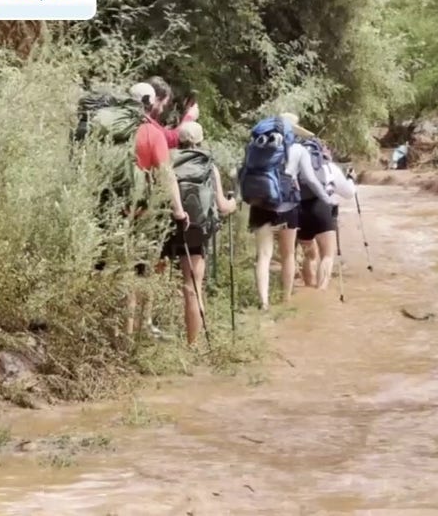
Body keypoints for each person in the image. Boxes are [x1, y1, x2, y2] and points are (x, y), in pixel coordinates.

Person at [241, 113, 337, 311]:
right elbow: (310, 179)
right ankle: (286, 298)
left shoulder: (255, 146)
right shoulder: (298, 149)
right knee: (288, 255)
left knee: (264, 256)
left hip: (260, 205)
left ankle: (264, 302)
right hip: (287, 205)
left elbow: (242, 173)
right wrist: (326, 198)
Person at [125, 82, 190, 338]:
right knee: (144, 270)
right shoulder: (152, 133)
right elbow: (166, 175)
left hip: (109, 210)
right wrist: (179, 211)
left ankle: (123, 336)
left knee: (120, 269)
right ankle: (140, 329)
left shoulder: (115, 127)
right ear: (151, 103)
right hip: (142, 213)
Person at [163, 121, 236, 345]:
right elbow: (222, 206)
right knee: (192, 286)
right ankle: (192, 344)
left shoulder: (166, 160)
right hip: (195, 230)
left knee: (155, 282)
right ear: (201, 140)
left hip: (166, 227)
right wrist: (234, 202)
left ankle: (152, 335)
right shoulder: (207, 166)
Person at [297, 139, 356, 290]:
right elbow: (349, 193)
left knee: (309, 255)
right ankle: (321, 291)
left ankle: (309, 288)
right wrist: (351, 179)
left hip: (299, 210)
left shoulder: (296, 166)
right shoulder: (329, 167)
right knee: (327, 255)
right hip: (321, 208)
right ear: (323, 151)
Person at [145, 75, 199, 149]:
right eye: (162, 105)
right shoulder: (143, 119)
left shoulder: (136, 114)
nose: (161, 110)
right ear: (156, 100)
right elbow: (172, 139)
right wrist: (189, 117)